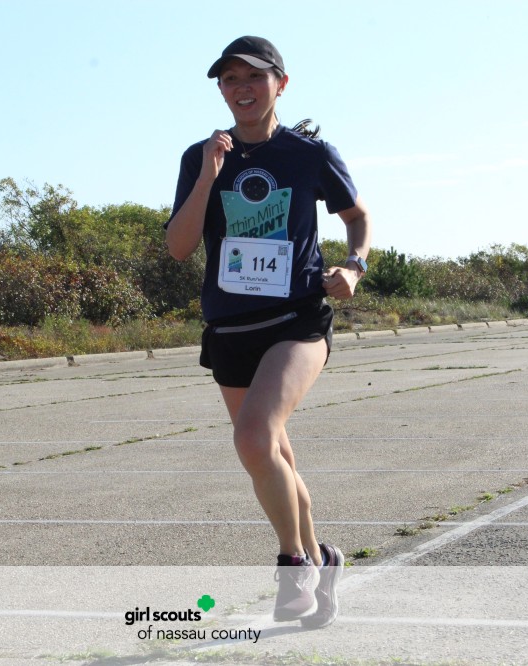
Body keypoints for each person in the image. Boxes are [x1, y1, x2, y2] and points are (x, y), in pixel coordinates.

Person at [165, 36, 372, 627]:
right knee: (273, 453)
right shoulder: (200, 156)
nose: (242, 89)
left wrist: (353, 267)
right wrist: (208, 177)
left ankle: (294, 564)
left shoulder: (310, 153)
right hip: (230, 327)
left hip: (296, 321)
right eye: (230, 80)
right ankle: (323, 558)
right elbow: (178, 248)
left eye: (254, 77)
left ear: (281, 83)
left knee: (255, 438)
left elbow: (357, 217)